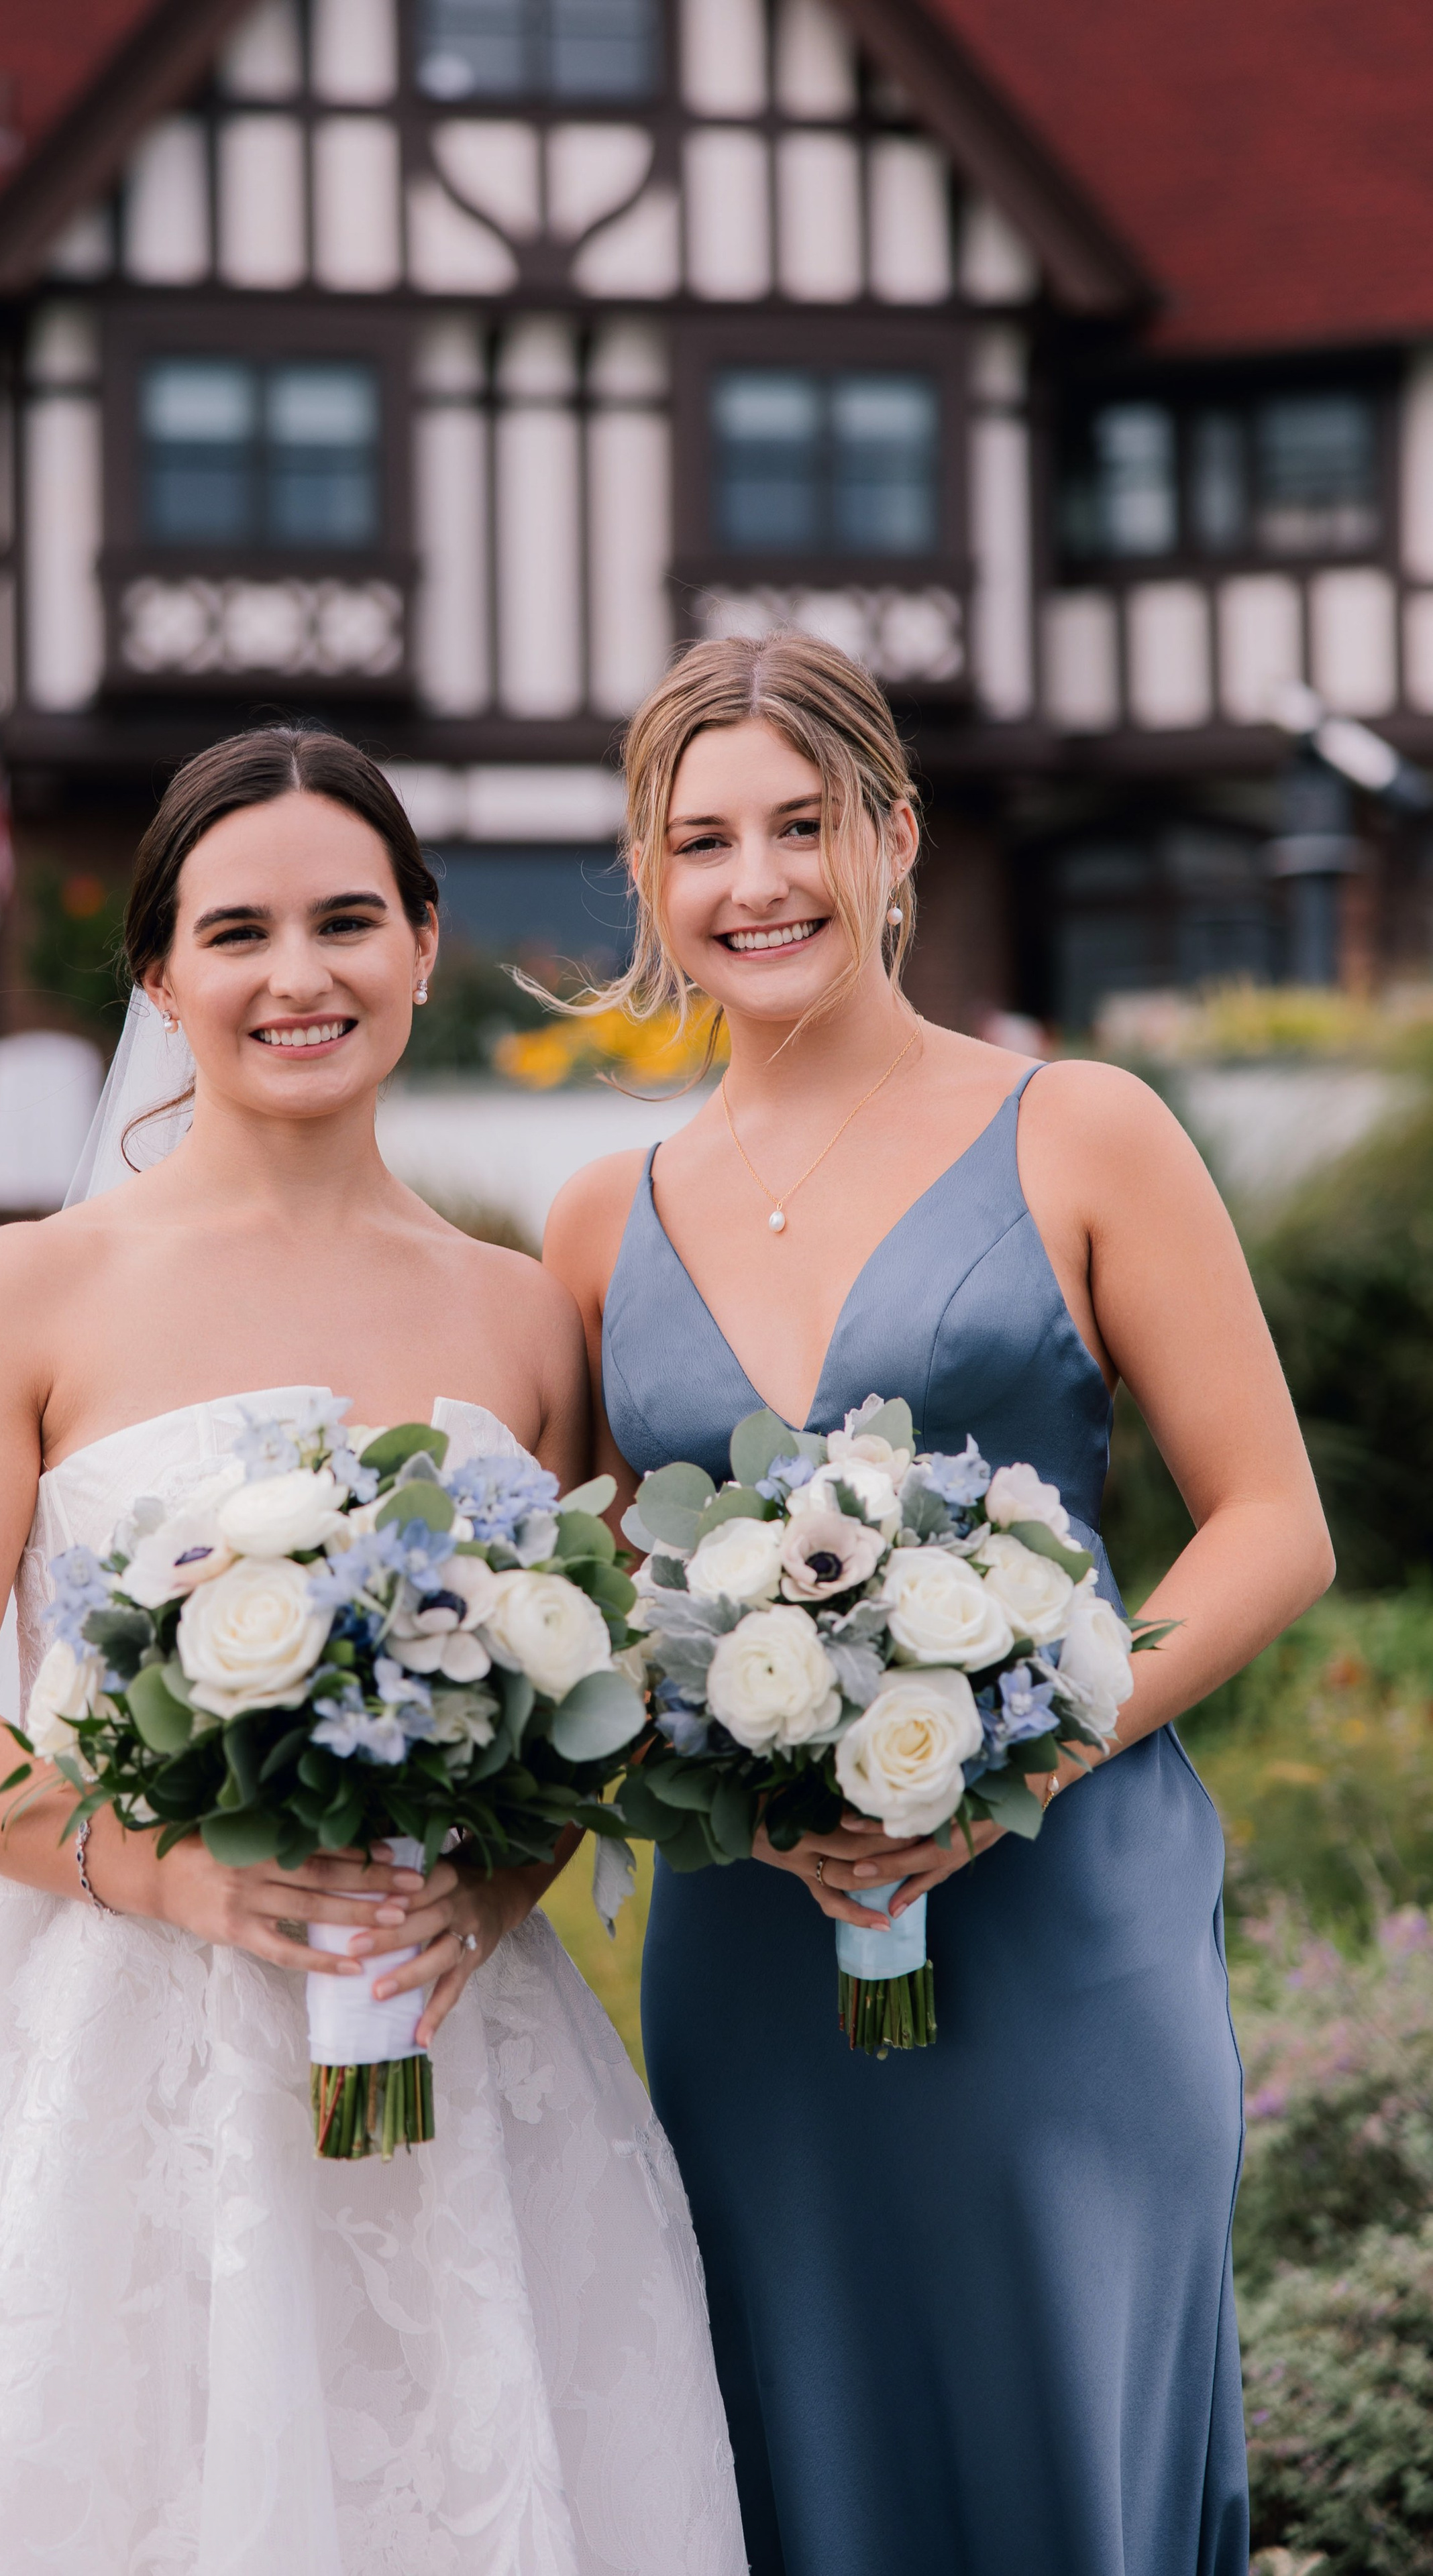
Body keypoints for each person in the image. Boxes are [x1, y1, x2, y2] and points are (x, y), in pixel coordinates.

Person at [0, 727, 746, 2576]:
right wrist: (168, 1877)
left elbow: (588, 1704)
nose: (301, 974)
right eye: (242, 929)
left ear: (425, 944)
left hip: (449, 2047)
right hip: (98, 2037)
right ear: (162, 973)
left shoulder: (522, 1315)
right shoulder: (26, 1290)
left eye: (350, 920)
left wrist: (496, 1898)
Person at [545, 633, 1335, 2576]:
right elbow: (583, 1604)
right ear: (647, 880)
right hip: (757, 1949)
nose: (759, 881)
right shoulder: (595, 1215)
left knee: (1072, 2426)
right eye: (702, 839)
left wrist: (1028, 1749)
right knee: (797, 2432)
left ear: (894, 836)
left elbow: (1272, 1522)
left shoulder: (1082, 1131)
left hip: (1063, 1915)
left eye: (804, 824)